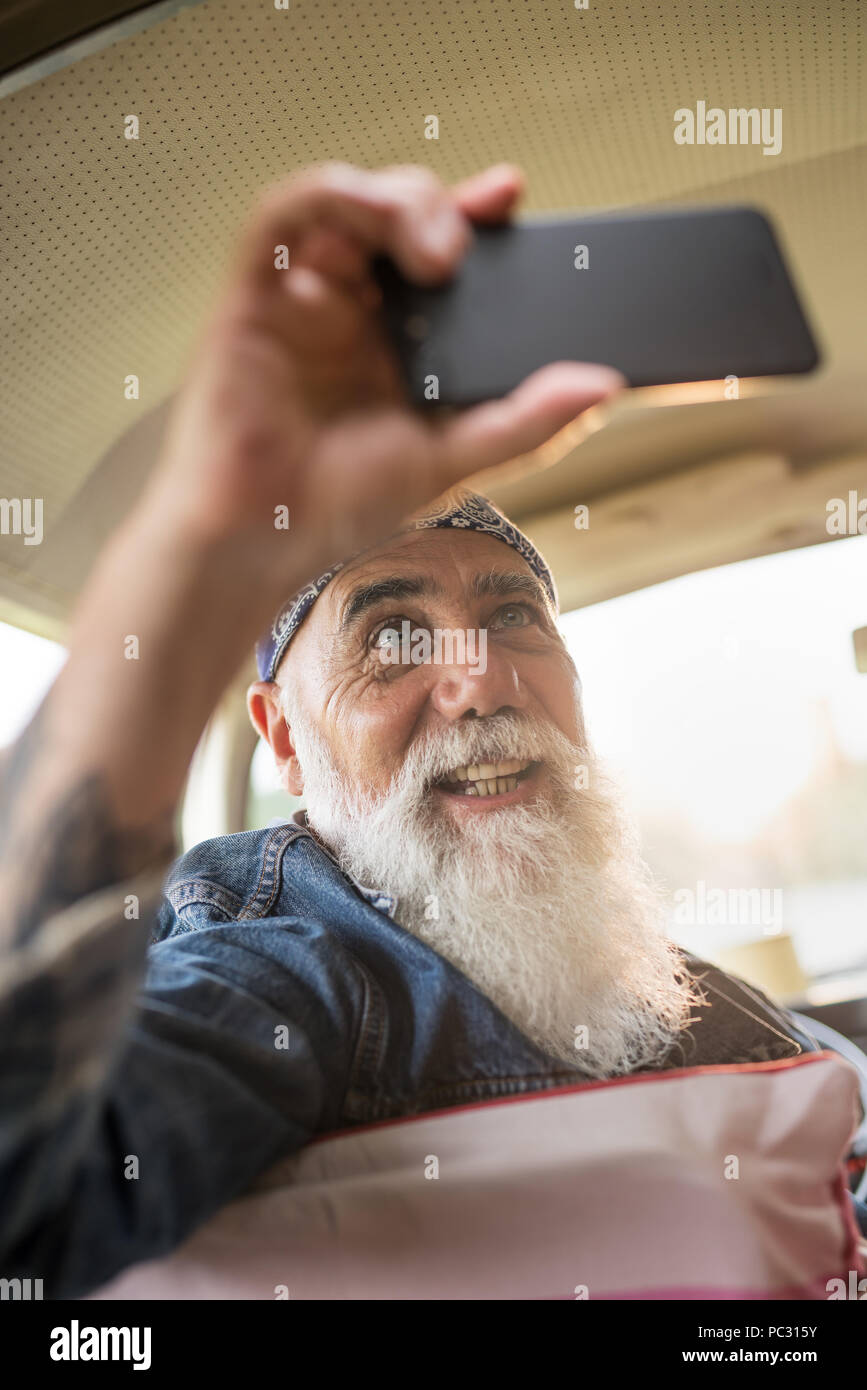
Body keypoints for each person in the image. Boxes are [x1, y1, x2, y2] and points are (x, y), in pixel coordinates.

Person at [0, 162, 844, 1300]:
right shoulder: (283, 976)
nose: (480, 677)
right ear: (284, 743)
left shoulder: (703, 1003)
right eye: (392, 637)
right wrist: (202, 536)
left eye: (512, 617)